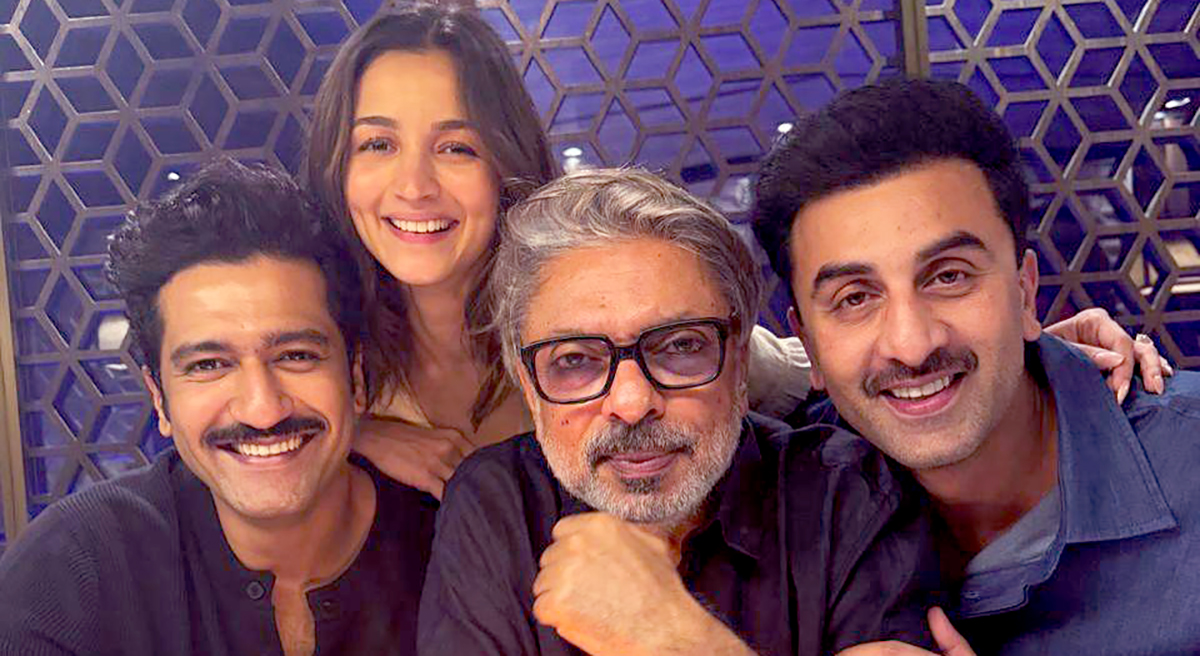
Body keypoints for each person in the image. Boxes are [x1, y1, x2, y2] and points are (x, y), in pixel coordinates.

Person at [306, 3, 1162, 499]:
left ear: (504, 162)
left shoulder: (624, 321)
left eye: (456, 146)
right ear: (338, 163)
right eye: (377, 144)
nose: (413, 185)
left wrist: (1035, 358)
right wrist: (354, 434)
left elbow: (823, 368)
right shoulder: (327, 362)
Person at [418, 167, 964, 655]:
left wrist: (675, 640)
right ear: (528, 384)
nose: (632, 403)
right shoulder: (497, 502)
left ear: (740, 361)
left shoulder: (848, 495)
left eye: (680, 346)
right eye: (575, 360)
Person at [753, 78, 1200, 654]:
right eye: (855, 298)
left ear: (1025, 291)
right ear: (808, 345)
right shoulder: (787, 510)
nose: (911, 345)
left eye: (949, 276)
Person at [0, 159, 437, 656]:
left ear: (354, 376)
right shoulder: (73, 574)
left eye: (296, 356)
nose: (262, 410)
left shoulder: (451, 544)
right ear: (159, 398)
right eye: (209, 365)